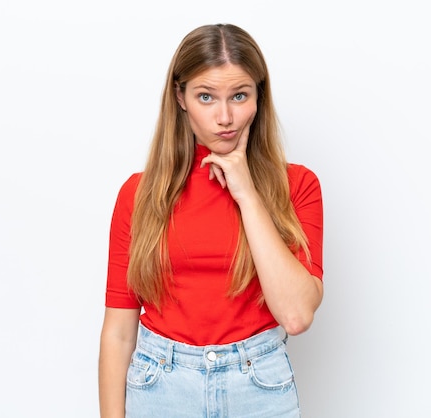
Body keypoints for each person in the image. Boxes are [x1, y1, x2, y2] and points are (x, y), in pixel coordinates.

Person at [98, 23, 324, 418]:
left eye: (239, 96)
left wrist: (247, 194)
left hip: (259, 387)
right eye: (206, 97)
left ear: (259, 97)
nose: (225, 117)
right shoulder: (139, 194)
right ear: (180, 97)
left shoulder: (298, 186)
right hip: (161, 387)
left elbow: (296, 314)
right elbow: (118, 333)